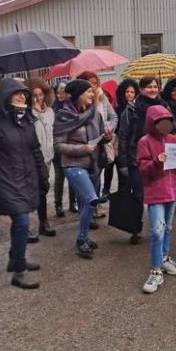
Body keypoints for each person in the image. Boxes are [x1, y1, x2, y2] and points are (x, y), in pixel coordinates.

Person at [0, 79, 49, 289]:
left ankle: (16, 258)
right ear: (5, 97)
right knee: (22, 223)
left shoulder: (26, 120)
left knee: (21, 222)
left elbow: (35, 150)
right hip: (6, 181)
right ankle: (19, 271)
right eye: (17, 93)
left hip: (27, 179)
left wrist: (43, 176)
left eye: (24, 94)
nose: (23, 97)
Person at [54, 79, 110, 259]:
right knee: (90, 199)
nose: (92, 95)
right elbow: (58, 146)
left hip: (93, 164)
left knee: (87, 203)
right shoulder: (63, 116)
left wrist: (107, 137)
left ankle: (82, 238)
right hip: (73, 165)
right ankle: (82, 239)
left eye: (92, 92)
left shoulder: (95, 113)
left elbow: (101, 137)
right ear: (78, 95)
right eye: (88, 92)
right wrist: (83, 149)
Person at [137, 105, 176, 293]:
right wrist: (157, 161)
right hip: (156, 193)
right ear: (152, 123)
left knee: (168, 228)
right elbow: (143, 169)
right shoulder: (144, 142)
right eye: (159, 122)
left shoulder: (174, 140)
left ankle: (164, 258)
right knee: (157, 231)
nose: (164, 125)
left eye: (167, 121)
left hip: (172, 193)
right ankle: (156, 270)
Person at [117, 76, 170, 244]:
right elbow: (123, 136)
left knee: (159, 194)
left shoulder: (164, 106)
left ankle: (160, 227)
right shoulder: (131, 109)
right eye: (148, 87)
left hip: (160, 159)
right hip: (136, 159)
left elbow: (171, 130)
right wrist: (123, 162)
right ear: (141, 89)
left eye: (155, 86)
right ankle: (135, 228)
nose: (153, 90)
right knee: (139, 195)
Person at [77, 71, 118, 214]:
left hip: (100, 144)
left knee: (96, 177)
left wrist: (106, 128)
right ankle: (85, 211)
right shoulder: (78, 101)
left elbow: (114, 117)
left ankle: (93, 209)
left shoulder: (101, 97)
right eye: (90, 83)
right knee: (83, 182)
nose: (93, 86)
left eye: (95, 83)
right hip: (83, 146)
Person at [26, 78, 57, 239]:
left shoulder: (50, 112)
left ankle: (43, 222)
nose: (38, 98)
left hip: (48, 156)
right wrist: (32, 112)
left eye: (41, 94)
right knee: (36, 190)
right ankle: (37, 223)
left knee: (43, 189)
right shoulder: (28, 114)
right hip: (33, 158)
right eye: (35, 95)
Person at [51, 81, 75, 216]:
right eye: (58, 91)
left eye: (63, 91)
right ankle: (58, 205)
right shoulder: (53, 107)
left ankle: (73, 202)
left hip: (71, 146)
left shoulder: (72, 106)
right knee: (59, 177)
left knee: (72, 176)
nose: (60, 94)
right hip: (58, 148)